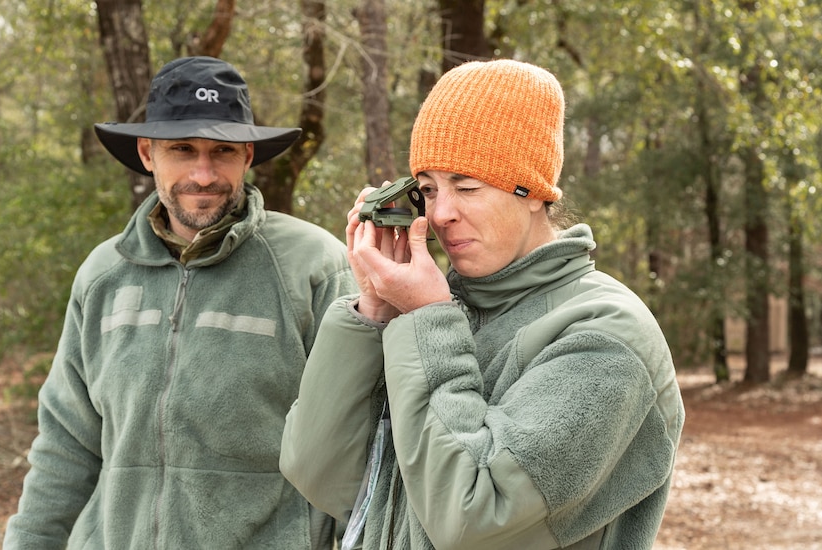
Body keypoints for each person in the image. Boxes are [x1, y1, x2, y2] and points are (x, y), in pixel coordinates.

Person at [280, 59, 685, 549]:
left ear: (533, 192)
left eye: (467, 186)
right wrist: (374, 313)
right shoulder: (435, 314)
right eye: (427, 189)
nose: (442, 213)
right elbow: (323, 477)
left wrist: (428, 320)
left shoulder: (606, 336)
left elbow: (473, 520)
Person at [4, 56, 357, 549]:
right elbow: (67, 445)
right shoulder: (103, 276)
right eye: (183, 149)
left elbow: (354, 445)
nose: (204, 173)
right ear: (147, 153)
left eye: (223, 151)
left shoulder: (314, 266)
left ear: (248, 155)